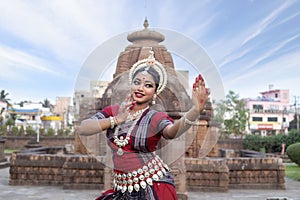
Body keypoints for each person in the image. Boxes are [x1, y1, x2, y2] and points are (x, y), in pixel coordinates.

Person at [78, 50, 209, 200]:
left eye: (148, 85)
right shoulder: (113, 111)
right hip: (123, 188)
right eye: (137, 82)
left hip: (154, 185)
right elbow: (84, 128)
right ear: (131, 84)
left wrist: (195, 110)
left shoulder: (155, 117)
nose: (140, 88)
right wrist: (117, 119)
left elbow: (171, 132)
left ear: (154, 92)